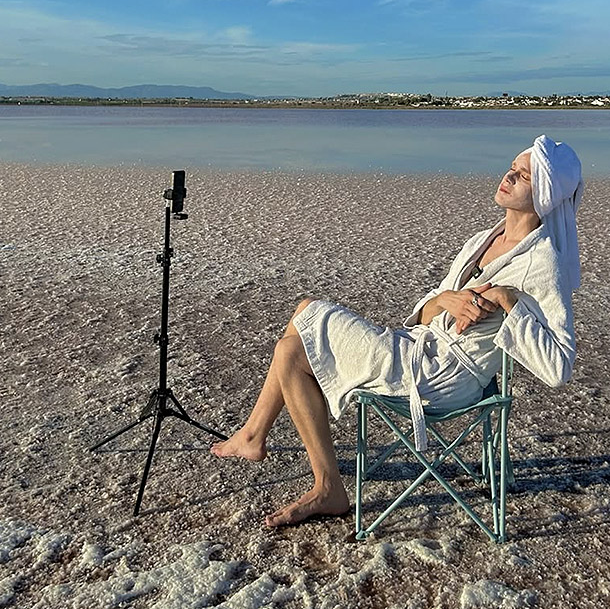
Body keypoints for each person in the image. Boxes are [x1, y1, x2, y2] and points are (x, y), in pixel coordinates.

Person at [212, 134, 584, 528]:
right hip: (419, 347)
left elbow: (558, 367)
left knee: (293, 343)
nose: (509, 176)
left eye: (523, 176)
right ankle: (262, 440)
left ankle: (317, 481)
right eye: (512, 166)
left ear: (543, 193)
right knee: (297, 329)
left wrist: (511, 301)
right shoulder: (483, 239)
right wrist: (446, 301)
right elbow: (424, 314)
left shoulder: (543, 263)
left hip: (445, 375)